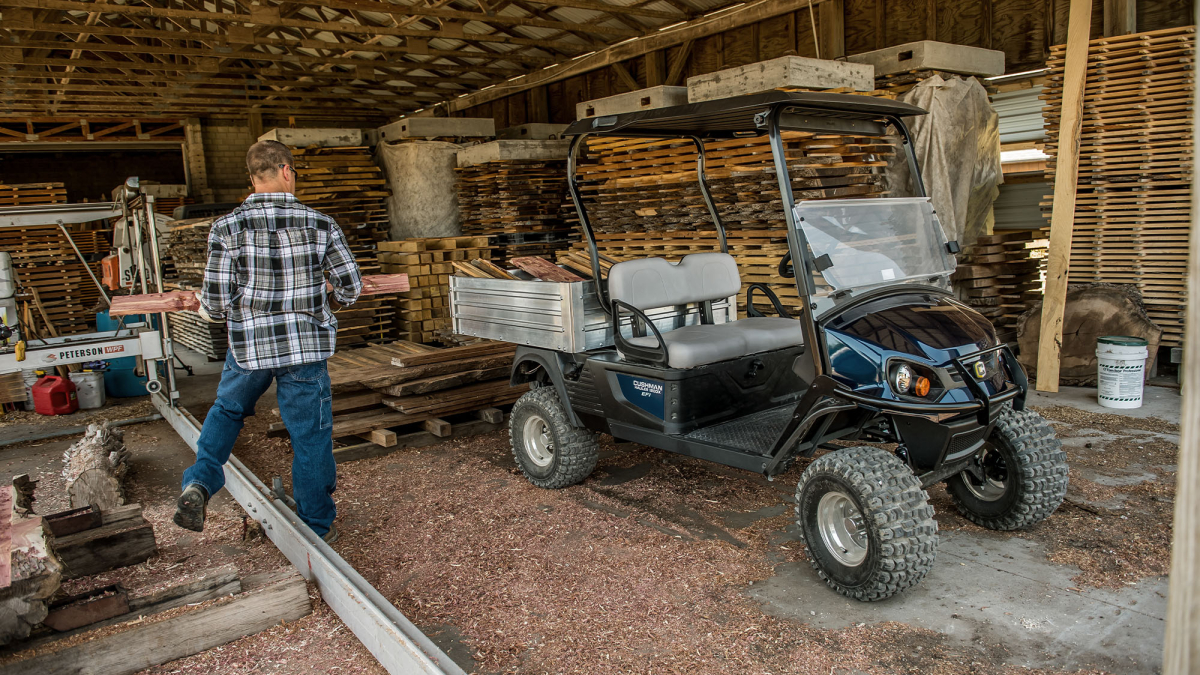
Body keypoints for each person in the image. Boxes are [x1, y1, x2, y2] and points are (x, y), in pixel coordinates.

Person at [173, 140, 362, 543]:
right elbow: (351, 286)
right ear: (287, 171)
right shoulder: (321, 224)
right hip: (305, 347)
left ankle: (200, 483)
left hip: (250, 348)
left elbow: (217, 303)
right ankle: (315, 527)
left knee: (226, 411)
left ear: (252, 177)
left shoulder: (226, 227)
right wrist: (328, 295)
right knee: (309, 435)